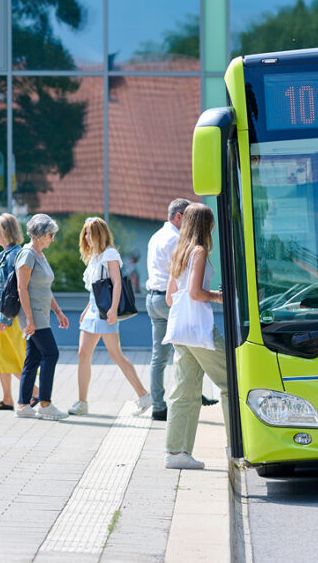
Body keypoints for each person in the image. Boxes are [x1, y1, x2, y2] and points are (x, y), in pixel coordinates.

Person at [163, 203, 231, 470]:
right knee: (231, 382)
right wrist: (219, 296)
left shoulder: (179, 251)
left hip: (180, 330)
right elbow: (195, 293)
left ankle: (176, 452)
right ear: (205, 225)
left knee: (185, 390)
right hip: (199, 329)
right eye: (211, 223)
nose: (213, 227)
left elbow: (170, 298)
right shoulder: (199, 251)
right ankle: (236, 444)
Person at [68, 217, 152, 417]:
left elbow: (117, 282)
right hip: (93, 309)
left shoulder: (109, 254)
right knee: (82, 354)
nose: (86, 237)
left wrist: (113, 309)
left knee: (115, 354)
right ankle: (82, 402)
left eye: (90, 233)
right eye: (85, 233)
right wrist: (86, 309)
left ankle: (144, 396)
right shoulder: (95, 257)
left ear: (100, 234)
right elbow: (96, 289)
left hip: (105, 312)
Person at [146, 198, 218, 420]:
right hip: (174, 300)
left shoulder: (156, 236)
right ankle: (191, 392)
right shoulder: (178, 240)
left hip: (153, 298)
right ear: (179, 216)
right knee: (187, 350)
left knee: (159, 356)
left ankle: (158, 405)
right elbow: (185, 281)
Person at [15, 213, 71, 420]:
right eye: (50, 235)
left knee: (34, 357)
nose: (52, 239)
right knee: (51, 353)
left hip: (42, 312)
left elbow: (45, 288)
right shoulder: (27, 255)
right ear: (39, 235)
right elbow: (22, 288)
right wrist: (29, 319)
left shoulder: (40, 255)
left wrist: (58, 311)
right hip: (33, 314)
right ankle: (45, 404)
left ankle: (23, 405)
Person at [0, 213, 37, 410]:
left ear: (4, 231)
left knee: (9, 356)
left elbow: (16, 290)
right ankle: (7, 399)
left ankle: (36, 392)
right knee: (0, 355)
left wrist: (5, 317)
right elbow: (9, 285)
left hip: (9, 312)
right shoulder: (4, 255)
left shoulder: (15, 255)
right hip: (3, 309)